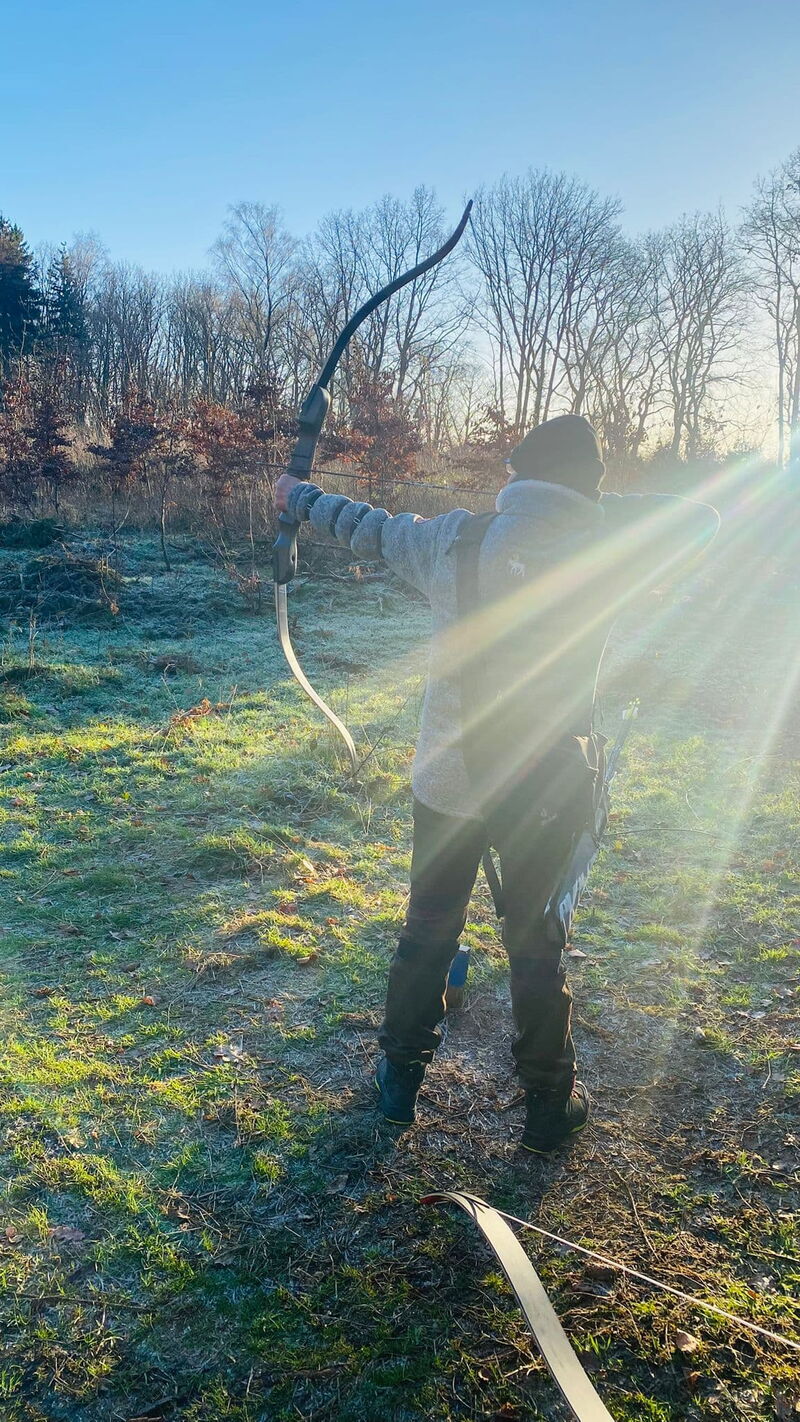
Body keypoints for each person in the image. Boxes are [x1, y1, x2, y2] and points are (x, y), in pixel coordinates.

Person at [274, 415, 719, 1152]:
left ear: (517, 476)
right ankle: (548, 1109)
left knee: (428, 931)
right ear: (586, 488)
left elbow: (365, 525)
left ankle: (398, 1085)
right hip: (545, 790)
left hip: (449, 782)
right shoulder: (610, 549)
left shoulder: (453, 537)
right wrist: (588, 510)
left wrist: (298, 494)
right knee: (536, 947)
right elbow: (700, 518)